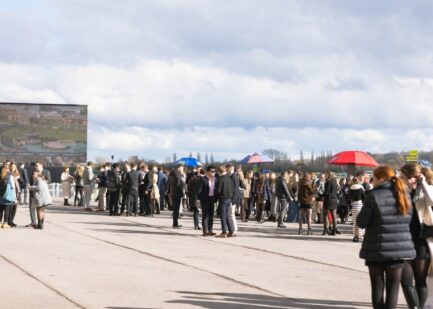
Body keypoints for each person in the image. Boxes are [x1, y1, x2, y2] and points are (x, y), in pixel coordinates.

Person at [357, 165, 415, 309]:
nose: (372, 181)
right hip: (399, 250)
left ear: (381, 179)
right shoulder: (404, 194)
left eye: (374, 179)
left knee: (377, 288)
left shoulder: (373, 195)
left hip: (376, 249)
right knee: (393, 290)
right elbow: (409, 220)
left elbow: (361, 222)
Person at [399, 164, 433, 308]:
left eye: (414, 177)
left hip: (421, 240)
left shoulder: (424, 191)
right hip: (403, 240)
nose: (411, 181)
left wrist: (423, 183)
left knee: (420, 280)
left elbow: (432, 200)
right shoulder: (400, 191)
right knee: (406, 281)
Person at [29, 162, 52, 230]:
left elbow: (48, 181)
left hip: (40, 195)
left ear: (41, 165)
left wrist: (30, 187)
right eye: (35, 166)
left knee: (39, 210)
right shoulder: (36, 174)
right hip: (37, 194)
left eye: (37, 166)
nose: (35, 167)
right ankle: (39, 223)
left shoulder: (44, 174)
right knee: (41, 210)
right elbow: (32, 181)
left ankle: (40, 224)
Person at [216, 165, 235, 238]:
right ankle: (231, 231)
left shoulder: (221, 179)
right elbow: (233, 189)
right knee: (227, 215)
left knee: (223, 216)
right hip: (229, 199)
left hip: (223, 199)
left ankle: (224, 232)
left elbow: (218, 190)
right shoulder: (229, 178)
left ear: (219, 172)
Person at [198, 166, 217, 236]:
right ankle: (205, 231)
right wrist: (200, 200)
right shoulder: (203, 179)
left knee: (211, 215)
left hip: (212, 199)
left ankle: (210, 230)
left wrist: (216, 199)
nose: (213, 173)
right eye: (212, 171)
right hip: (205, 200)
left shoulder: (216, 179)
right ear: (208, 172)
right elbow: (199, 191)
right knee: (205, 215)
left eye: (214, 171)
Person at [168, 164, 185, 228]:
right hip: (177, 193)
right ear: (179, 168)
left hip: (173, 193)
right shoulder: (177, 175)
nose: (182, 169)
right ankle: (175, 224)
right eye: (182, 168)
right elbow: (178, 185)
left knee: (175, 209)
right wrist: (182, 191)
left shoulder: (172, 174)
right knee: (176, 209)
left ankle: (175, 223)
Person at [323, 172, 339, 236]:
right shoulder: (335, 182)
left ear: (328, 175)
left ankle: (325, 231)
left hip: (328, 200)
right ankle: (334, 231)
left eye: (325, 175)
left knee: (325, 216)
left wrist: (320, 196)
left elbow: (326, 192)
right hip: (334, 200)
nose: (325, 176)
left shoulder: (328, 182)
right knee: (334, 216)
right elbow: (338, 189)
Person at [350, 176, 366, 242]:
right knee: (360, 221)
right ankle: (360, 236)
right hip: (360, 205)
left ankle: (355, 236)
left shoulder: (351, 188)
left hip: (354, 205)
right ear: (358, 181)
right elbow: (364, 197)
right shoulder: (361, 188)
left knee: (355, 221)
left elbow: (349, 197)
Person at [0, 163, 14, 228]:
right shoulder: (10, 175)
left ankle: (0, 223)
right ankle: (5, 223)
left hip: (1, 195)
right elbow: (12, 186)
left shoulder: (1, 175)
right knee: (7, 209)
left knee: (1, 209)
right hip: (7, 194)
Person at [8, 163, 21, 227]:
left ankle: (12, 220)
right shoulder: (8, 174)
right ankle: (8, 221)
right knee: (10, 207)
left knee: (15, 207)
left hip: (17, 191)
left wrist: (18, 178)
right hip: (11, 192)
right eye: (12, 166)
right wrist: (13, 179)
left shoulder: (17, 174)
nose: (13, 168)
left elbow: (22, 182)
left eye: (14, 167)